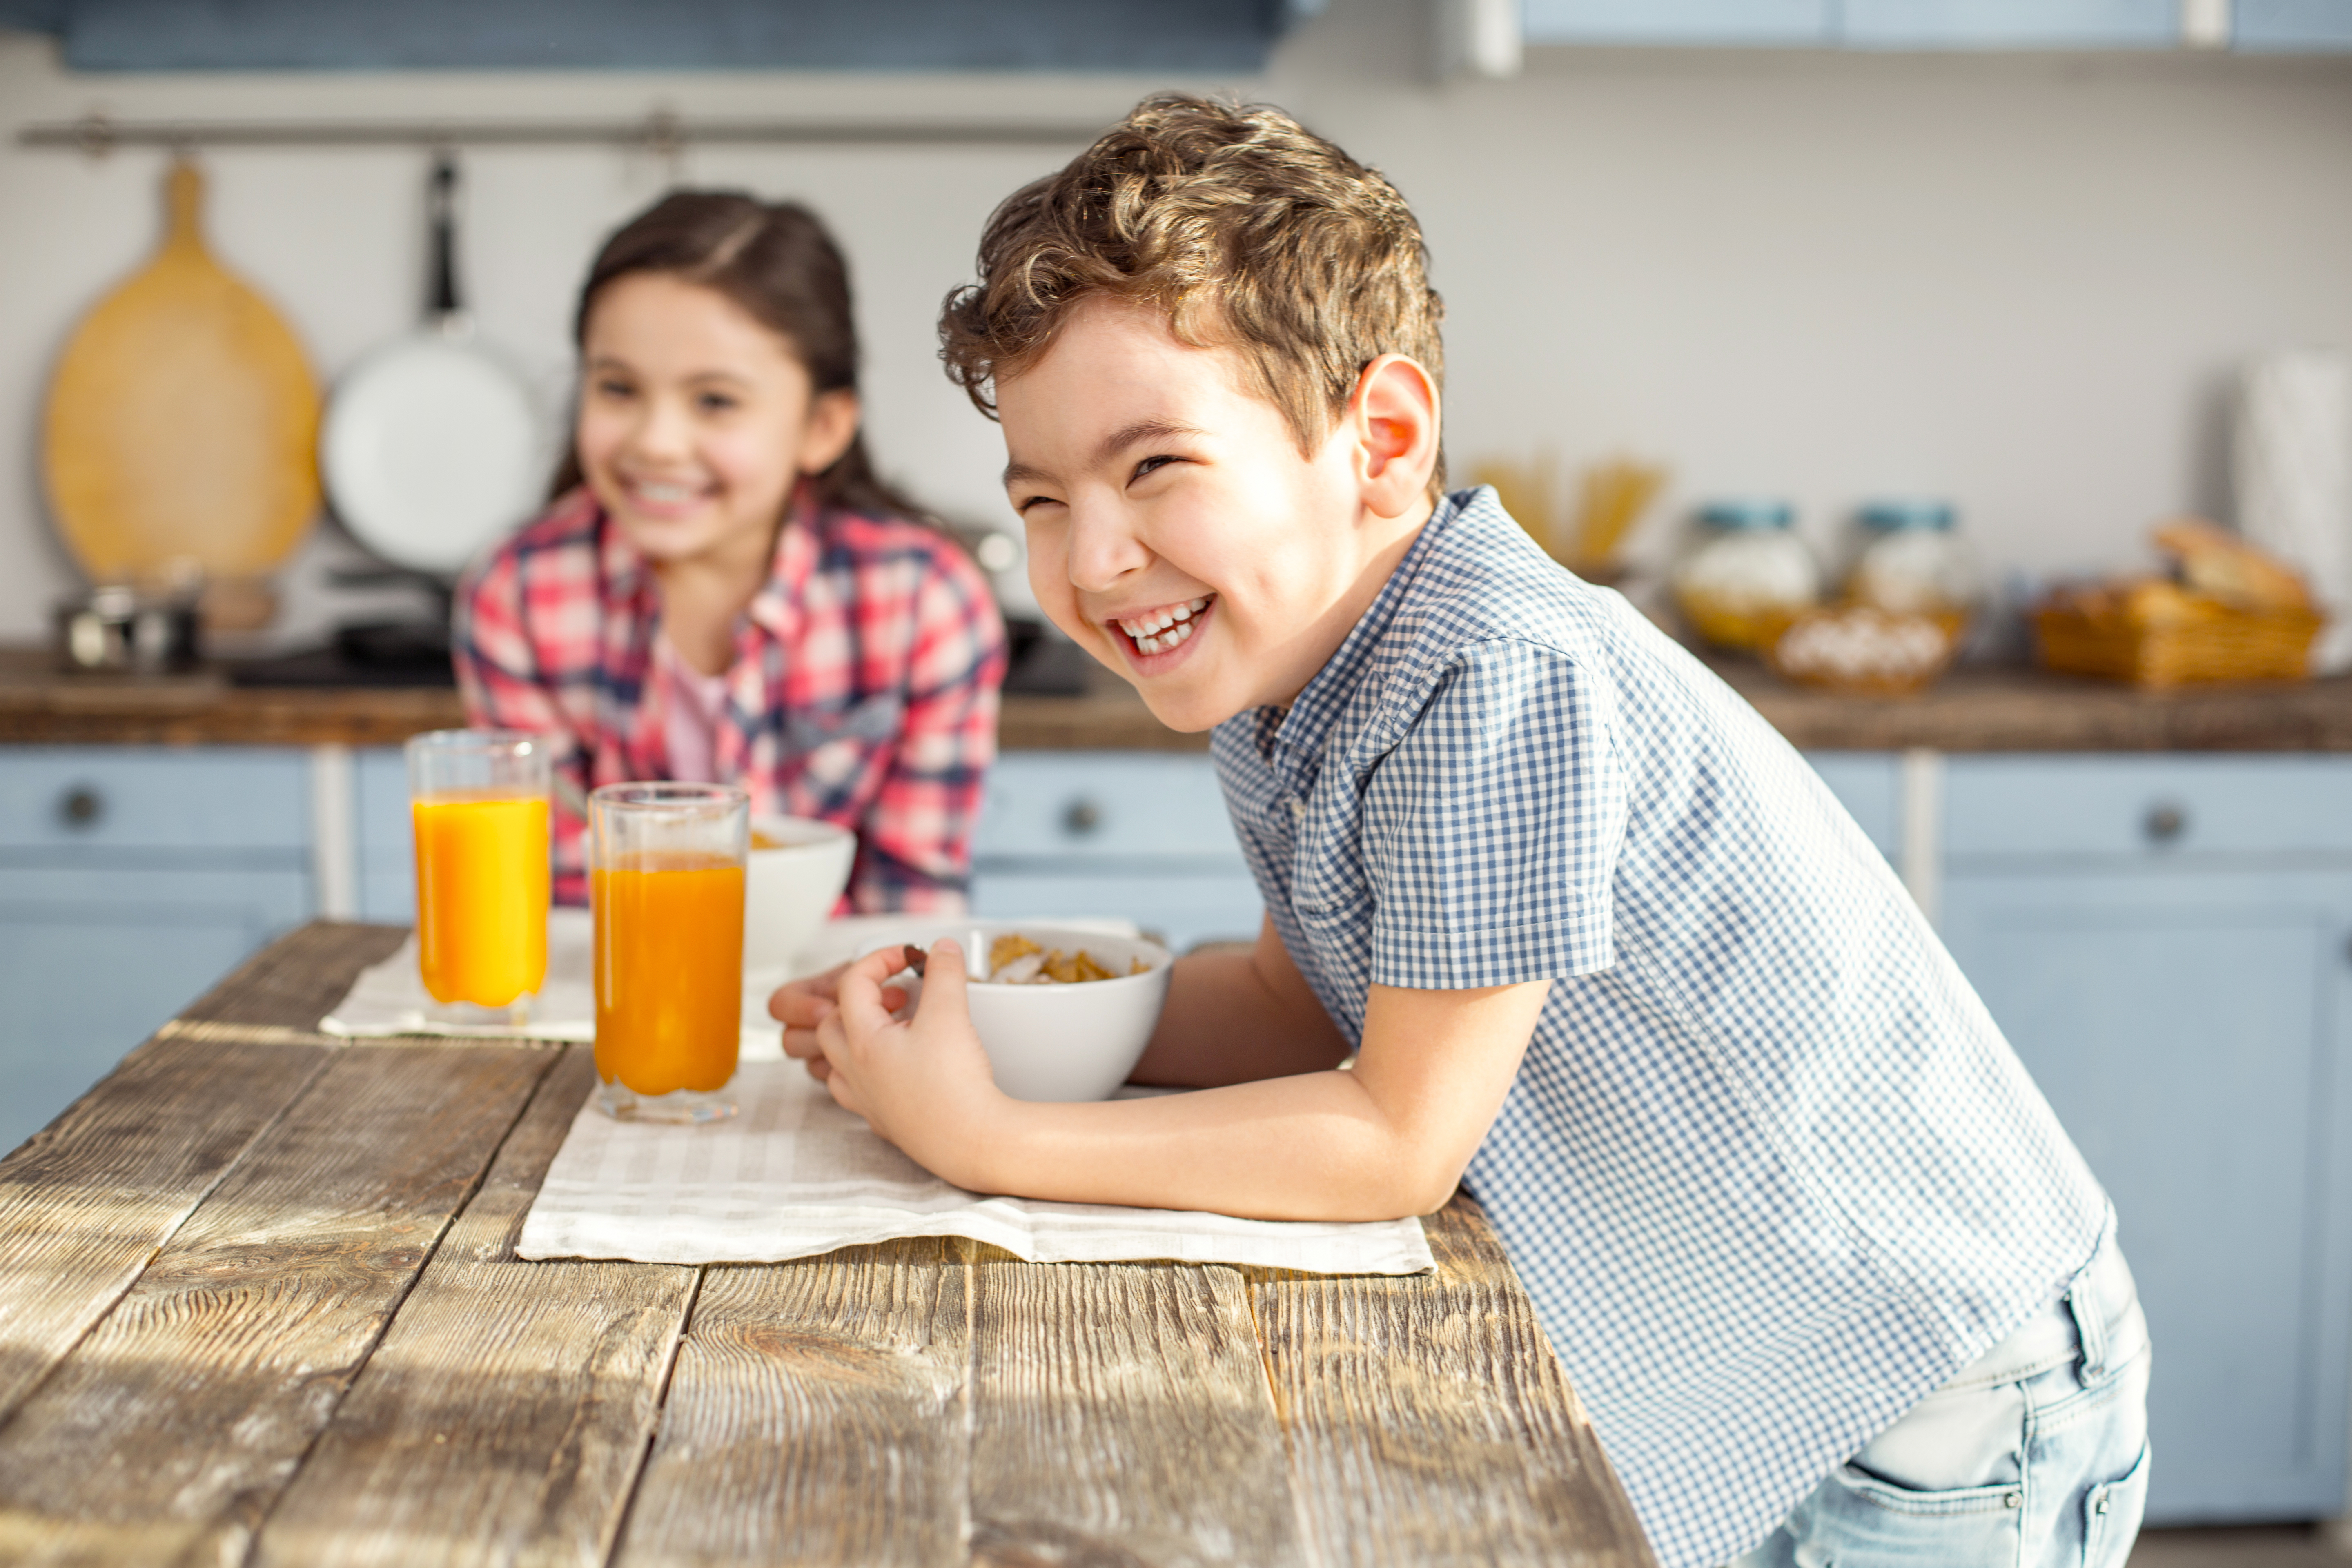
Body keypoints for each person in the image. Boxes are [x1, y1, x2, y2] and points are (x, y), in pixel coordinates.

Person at [771, 96, 2149, 1568]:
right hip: (1791, 1377)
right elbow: (1305, 1013)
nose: (1091, 559)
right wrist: (982, 1017)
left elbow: (1393, 1138)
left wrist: (987, 1136)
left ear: (1380, 437)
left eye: (1154, 467)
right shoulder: (1282, 677)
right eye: (1041, 498)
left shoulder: (1492, 669)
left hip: (1929, 1399)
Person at [454, 192, 1006, 909]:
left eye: (714, 401)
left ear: (824, 426)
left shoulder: (926, 602)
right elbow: (558, 896)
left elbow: (910, 902)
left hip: (833, 1005)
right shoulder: (518, 594)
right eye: (618, 387)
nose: (655, 441)